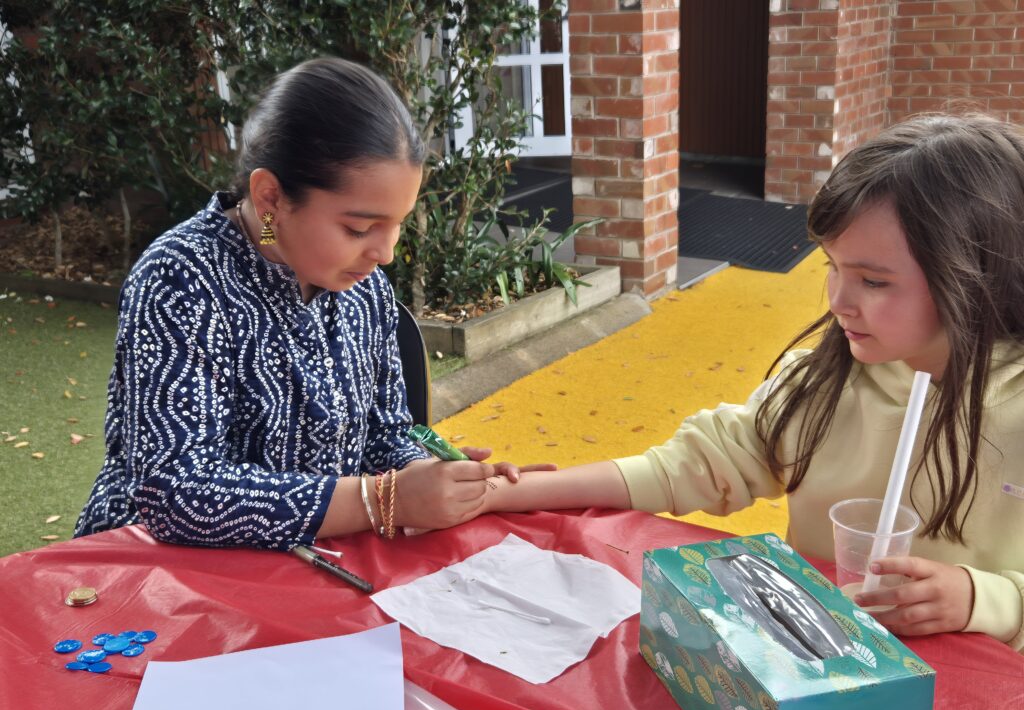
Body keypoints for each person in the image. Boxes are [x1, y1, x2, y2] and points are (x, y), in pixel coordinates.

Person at [482, 113, 1024, 652]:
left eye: (874, 281)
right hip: (822, 673)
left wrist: (985, 600)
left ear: (975, 275)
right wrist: (509, 493)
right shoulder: (821, 386)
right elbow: (688, 468)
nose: (838, 301)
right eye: (832, 267)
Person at [76, 58, 533, 548]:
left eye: (397, 222)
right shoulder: (181, 279)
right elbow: (175, 495)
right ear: (270, 197)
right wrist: (380, 499)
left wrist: (435, 476)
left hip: (313, 558)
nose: (385, 253)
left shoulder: (364, 288)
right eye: (359, 228)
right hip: (161, 575)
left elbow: (385, 433)